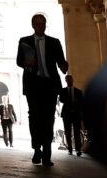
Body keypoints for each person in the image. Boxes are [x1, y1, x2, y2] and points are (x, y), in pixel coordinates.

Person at [16, 14, 68, 167]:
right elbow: (19, 61)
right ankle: (36, 149)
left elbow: (61, 64)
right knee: (34, 117)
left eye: (43, 23)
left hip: (50, 85)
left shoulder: (54, 42)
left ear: (46, 24)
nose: (41, 26)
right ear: (33, 25)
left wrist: (64, 66)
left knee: (49, 118)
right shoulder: (24, 41)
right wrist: (27, 62)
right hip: (33, 84)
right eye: (38, 24)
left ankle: (47, 152)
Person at [59, 74, 84, 156]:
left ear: (73, 80)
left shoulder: (78, 91)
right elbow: (61, 100)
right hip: (66, 114)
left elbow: (81, 102)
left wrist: (77, 103)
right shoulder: (62, 91)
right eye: (67, 79)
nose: (69, 81)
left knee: (77, 133)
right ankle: (69, 149)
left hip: (76, 114)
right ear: (65, 81)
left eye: (70, 79)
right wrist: (70, 101)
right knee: (68, 132)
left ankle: (78, 150)